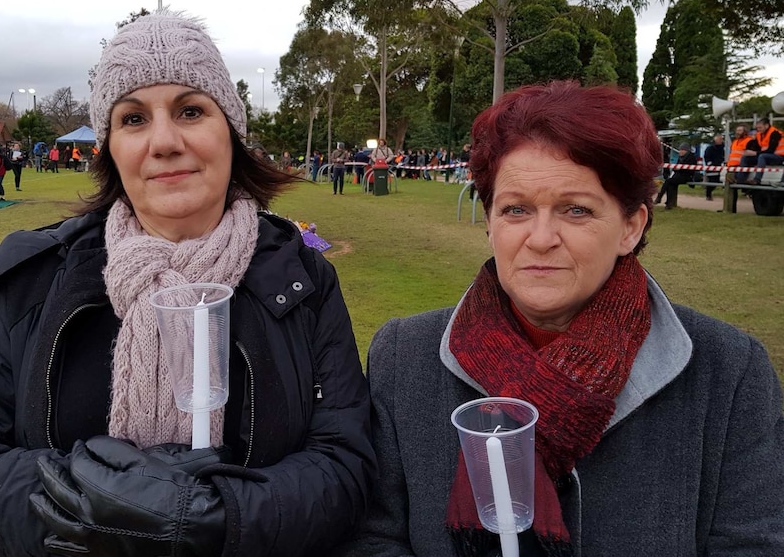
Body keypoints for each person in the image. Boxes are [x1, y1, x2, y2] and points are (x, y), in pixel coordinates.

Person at [0, 10, 375, 557]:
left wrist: (218, 520)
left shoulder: (303, 280)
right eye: (133, 119)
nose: (163, 141)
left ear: (230, 131)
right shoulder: (36, 277)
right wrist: (89, 507)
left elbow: (345, 465)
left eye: (190, 110)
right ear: (110, 146)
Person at [336, 81, 784, 556]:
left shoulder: (729, 372)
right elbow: (373, 536)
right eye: (516, 209)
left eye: (576, 209)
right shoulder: (404, 357)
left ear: (631, 226)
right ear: (488, 220)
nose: (541, 237)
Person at [654, 142, 696, 209]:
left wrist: (680, 169)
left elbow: (690, 171)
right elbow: (675, 167)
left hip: (686, 177)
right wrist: (677, 169)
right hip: (678, 176)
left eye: (683, 150)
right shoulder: (680, 157)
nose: (681, 151)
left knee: (668, 181)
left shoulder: (691, 158)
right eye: (680, 150)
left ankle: (660, 197)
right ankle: (668, 204)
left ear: (687, 150)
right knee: (670, 184)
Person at [746, 118, 784, 184]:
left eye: (760, 127)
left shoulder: (775, 133)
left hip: (779, 157)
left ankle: (757, 179)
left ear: (766, 126)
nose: (758, 130)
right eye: (757, 128)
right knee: (745, 158)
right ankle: (740, 180)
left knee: (762, 156)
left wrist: (755, 153)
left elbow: (770, 150)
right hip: (767, 156)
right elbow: (757, 147)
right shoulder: (759, 134)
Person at [702, 134, 725, 201]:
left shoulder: (722, 148)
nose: (721, 141)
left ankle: (709, 194)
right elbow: (706, 157)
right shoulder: (710, 148)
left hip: (720, 167)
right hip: (712, 168)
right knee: (712, 181)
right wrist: (710, 164)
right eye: (719, 139)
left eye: (721, 139)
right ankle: (708, 194)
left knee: (718, 181)